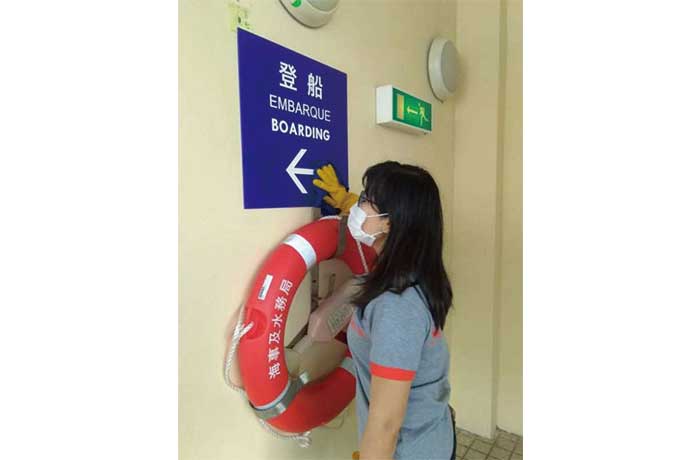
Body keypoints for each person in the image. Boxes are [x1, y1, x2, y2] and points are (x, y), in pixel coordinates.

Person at [313, 161, 456, 460]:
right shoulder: (413, 273)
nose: (358, 207)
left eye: (366, 200)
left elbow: (386, 424)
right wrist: (345, 200)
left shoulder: (396, 306)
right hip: (433, 436)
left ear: (389, 222)